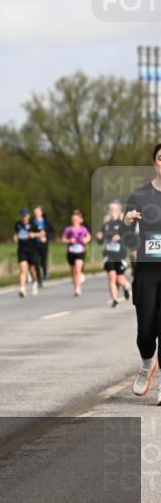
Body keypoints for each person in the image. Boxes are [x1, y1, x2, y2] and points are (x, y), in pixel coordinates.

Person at [125, 143, 161, 404]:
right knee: (146, 333)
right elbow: (127, 236)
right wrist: (127, 222)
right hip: (147, 271)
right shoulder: (139, 196)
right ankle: (147, 363)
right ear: (154, 163)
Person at [97, 199, 131, 308]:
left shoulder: (123, 223)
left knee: (119, 278)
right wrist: (99, 238)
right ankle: (114, 299)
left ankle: (125, 287)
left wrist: (120, 236)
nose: (112, 211)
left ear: (118, 210)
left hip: (120, 255)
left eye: (114, 209)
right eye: (110, 209)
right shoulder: (105, 225)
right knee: (111, 277)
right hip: (108, 255)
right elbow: (100, 241)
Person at [61, 210, 91, 296]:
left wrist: (85, 240)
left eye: (76, 219)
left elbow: (88, 237)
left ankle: (78, 289)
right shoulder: (68, 229)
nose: (74, 220)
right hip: (71, 252)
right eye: (73, 219)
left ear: (79, 220)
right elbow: (63, 239)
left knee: (78, 270)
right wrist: (70, 240)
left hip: (80, 252)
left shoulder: (83, 229)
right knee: (73, 272)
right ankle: (75, 287)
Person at [14, 209, 43, 297]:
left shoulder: (33, 224)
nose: (24, 218)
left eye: (25, 216)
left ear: (28, 216)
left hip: (32, 250)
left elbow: (42, 233)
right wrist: (15, 237)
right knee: (23, 269)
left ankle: (34, 283)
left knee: (32, 269)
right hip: (22, 250)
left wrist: (34, 235)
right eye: (22, 216)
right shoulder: (18, 224)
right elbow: (15, 234)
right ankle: (22, 288)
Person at [32, 205, 55, 284]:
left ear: (41, 212)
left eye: (38, 212)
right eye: (35, 212)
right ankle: (39, 279)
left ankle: (45, 271)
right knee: (36, 262)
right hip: (34, 245)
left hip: (43, 244)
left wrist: (46, 238)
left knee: (43, 260)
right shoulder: (32, 222)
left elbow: (52, 232)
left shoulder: (46, 222)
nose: (36, 213)